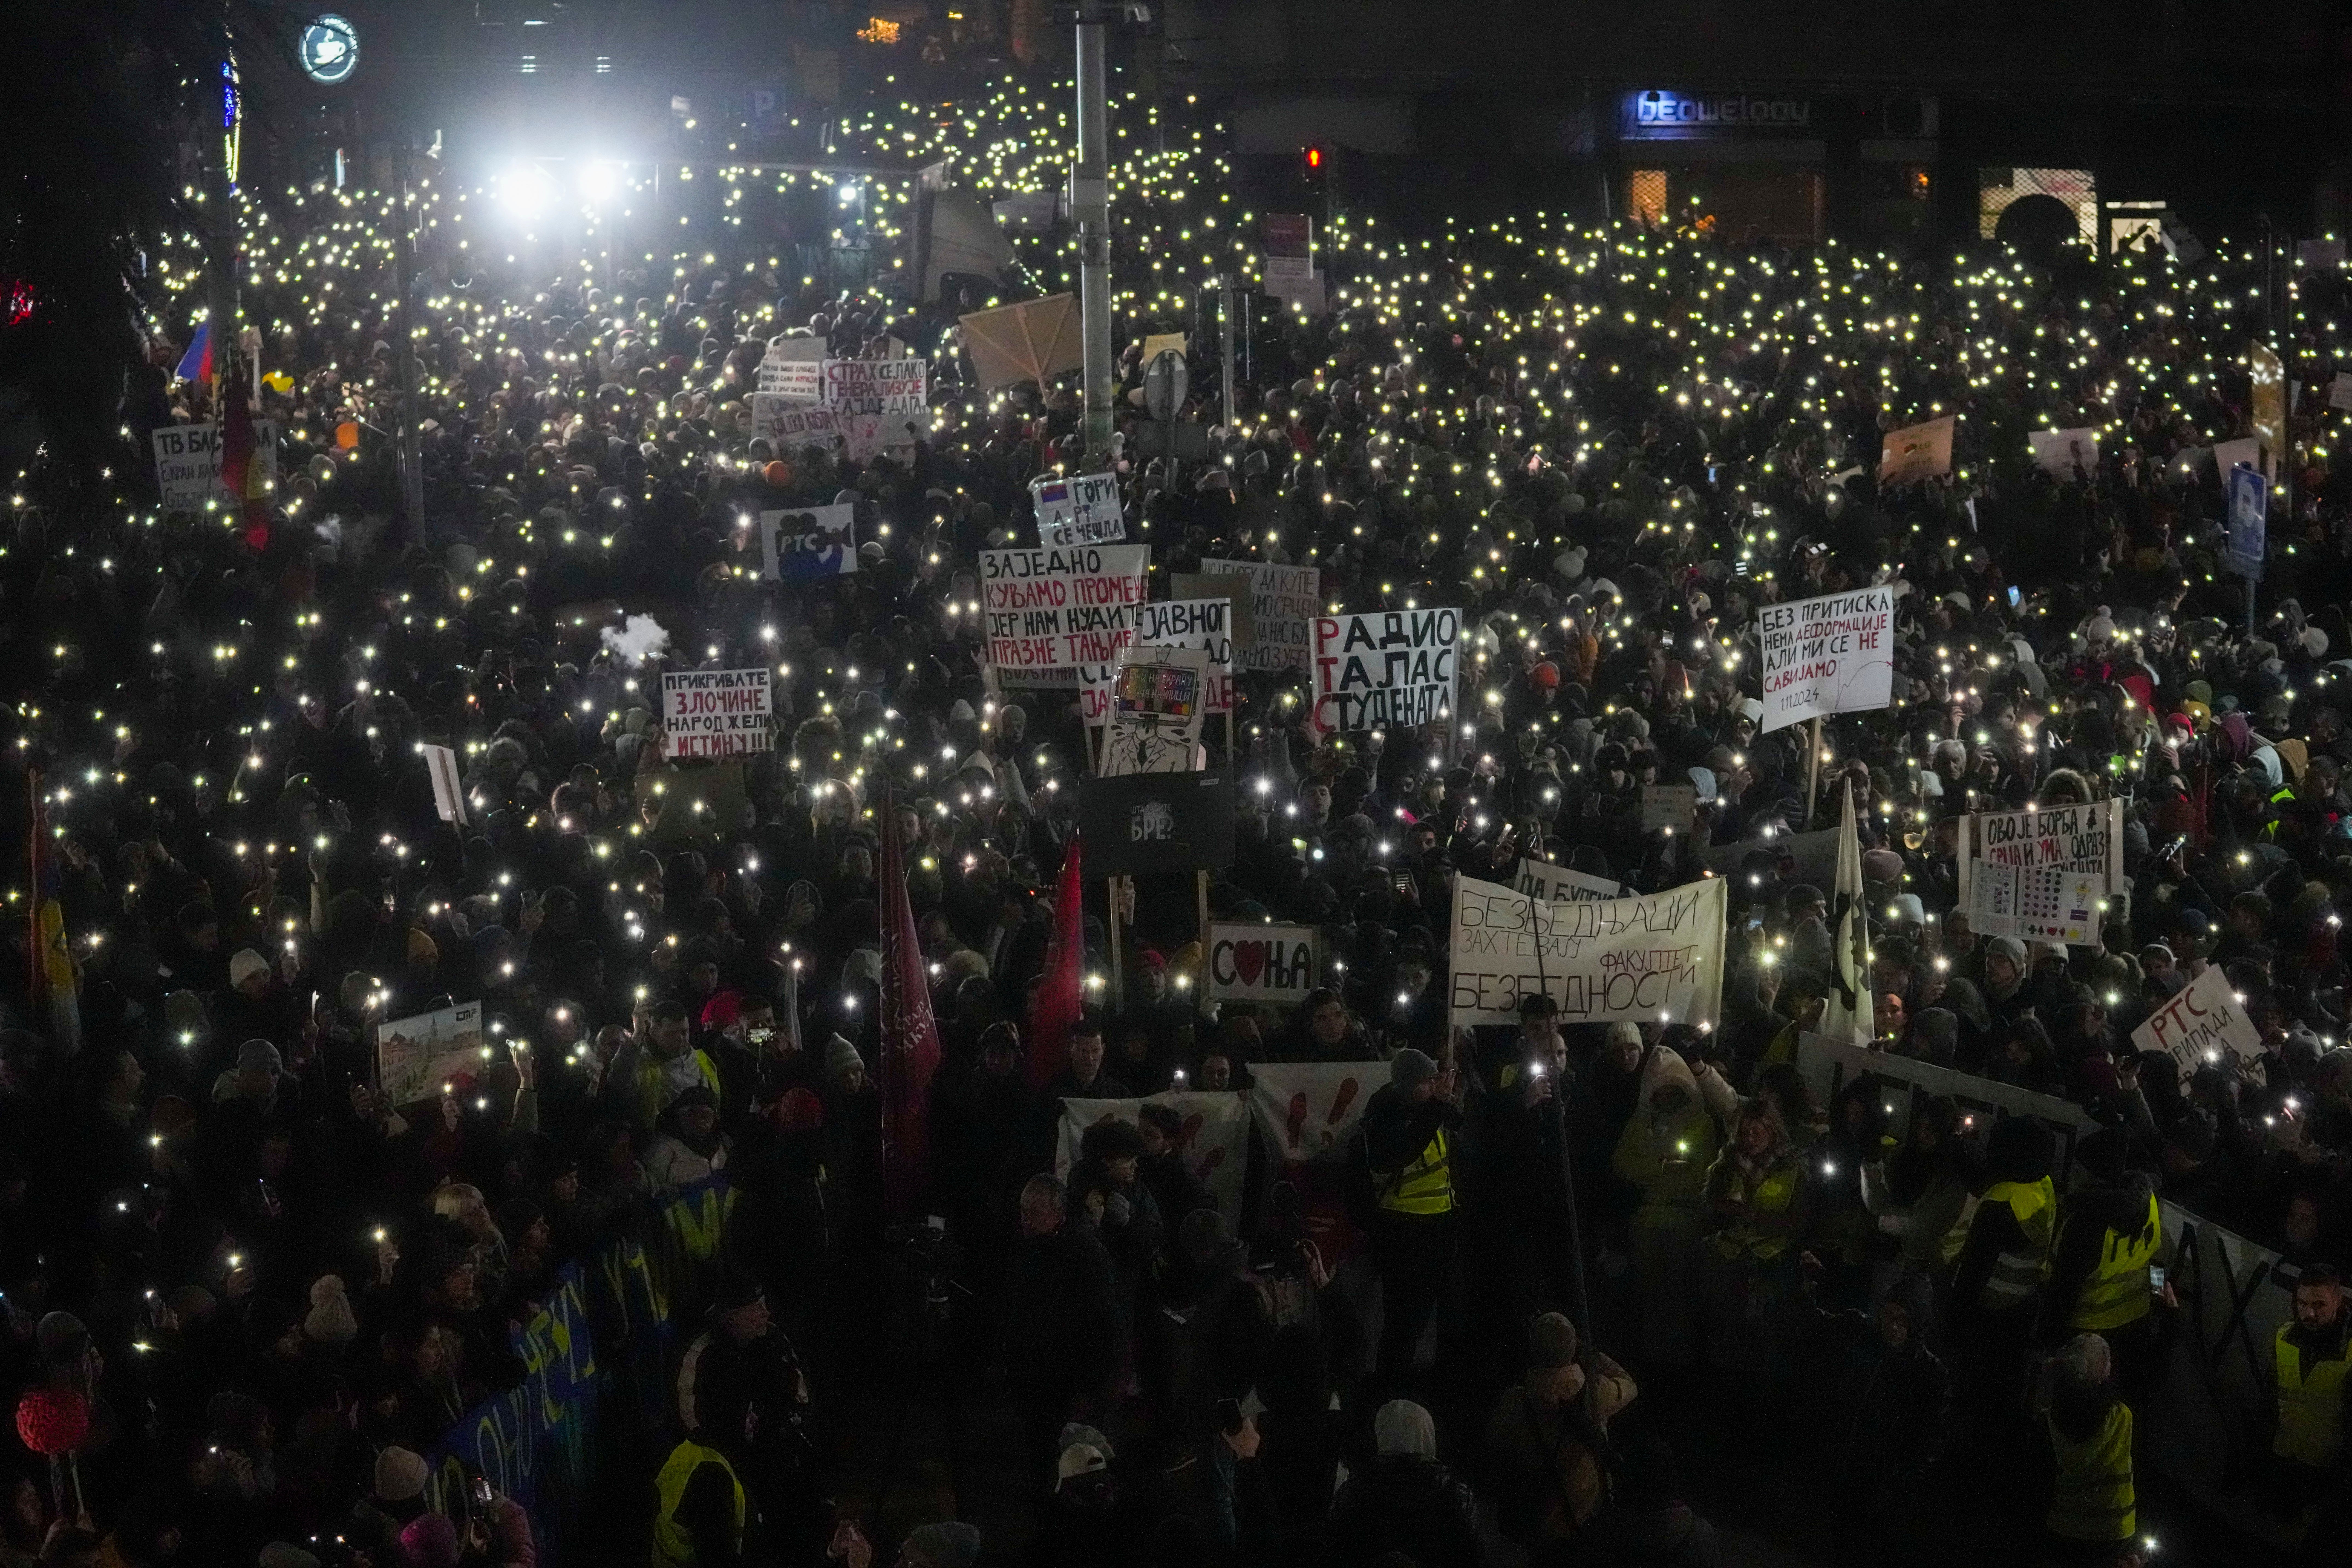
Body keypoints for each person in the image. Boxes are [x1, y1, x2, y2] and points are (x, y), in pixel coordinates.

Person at [1484, 1311, 1638, 1562]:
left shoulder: (1516, 1402)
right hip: (1589, 1518)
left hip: (1538, 1521)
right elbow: (1628, 1383)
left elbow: (1495, 1443)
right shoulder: (1595, 1393)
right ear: (1574, 1346)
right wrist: (1592, 1355)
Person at [1001, 1175, 1120, 1491]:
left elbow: (1103, 1326)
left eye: (1035, 1213)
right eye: (1023, 1211)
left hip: (1067, 1381)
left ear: (1058, 1213)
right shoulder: (1030, 1246)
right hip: (1036, 1374)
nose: (1026, 1220)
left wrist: (1091, 1386)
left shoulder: (1086, 1255)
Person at [1361, 1047, 1463, 1385]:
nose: (1434, 1087)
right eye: (1426, 1082)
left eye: (1436, 1080)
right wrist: (1436, 1108)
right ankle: (1392, 1388)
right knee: (1404, 1322)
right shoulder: (1387, 1111)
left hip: (1440, 1225)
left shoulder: (1431, 1108)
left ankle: (1437, 1384)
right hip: (1404, 1230)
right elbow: (1398, 1153)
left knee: (1444, 1316)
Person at [1329, 1399, 1485, 1568]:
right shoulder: (1455, 1492)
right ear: (1427, 1435)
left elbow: (1335, 1549)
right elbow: (1472, 1555)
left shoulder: (1354, 1490)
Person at [652, 1356, 765, 1568]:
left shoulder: (688, 1450)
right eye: (748, 1413)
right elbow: (717, 1557)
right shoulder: (713, 1477)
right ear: (731, 1417)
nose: (754, 1420)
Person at [2038, 1333, 2137, 1561]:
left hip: (2065, 1527)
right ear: (2106, 1373)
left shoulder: (2049, 1422)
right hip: (2117, 1529)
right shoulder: (2123, 1416)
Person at [2267, 1263, 2352, 1525]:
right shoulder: (2284, 1337)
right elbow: (2271, 1397)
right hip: (2284, 1455)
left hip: (2326, 1469)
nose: (2309, 1314)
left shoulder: (2350, 1352)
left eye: (2319, 1305)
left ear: (2338, 1301)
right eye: (2302, 1304)